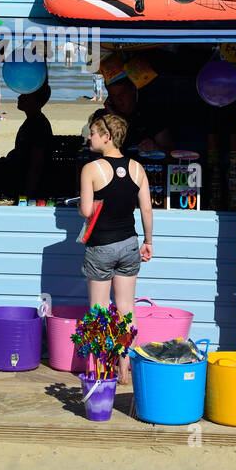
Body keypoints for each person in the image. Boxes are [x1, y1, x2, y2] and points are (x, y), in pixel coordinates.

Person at [78, 112, 153, 384]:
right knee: (125, 309)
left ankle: (102, 369)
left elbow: (87, 210)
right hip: (129, 244)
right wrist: (148, 241)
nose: (89, 136)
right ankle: (124, 366)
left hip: (101, 247)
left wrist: (83, 205)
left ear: (107, 136)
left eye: (93, 132)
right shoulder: (137, 168)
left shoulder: (91, 169)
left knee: (98, 310)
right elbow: (145, 208)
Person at [90, 77, 173, 153]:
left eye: (122, 94)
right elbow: (94, 150)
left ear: (133, 90)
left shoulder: (152, 115)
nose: (118, 100)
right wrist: (113, 117)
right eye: (113, 95)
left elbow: (171, 156)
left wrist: (156, 148)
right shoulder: (102, 117)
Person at [4, 83, 53, 199]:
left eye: (24, 95)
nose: (19, 97)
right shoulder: (32, 121)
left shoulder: (38, 125)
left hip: (31, 186)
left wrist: (27, 195)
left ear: (34, 101)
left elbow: (36, 164)